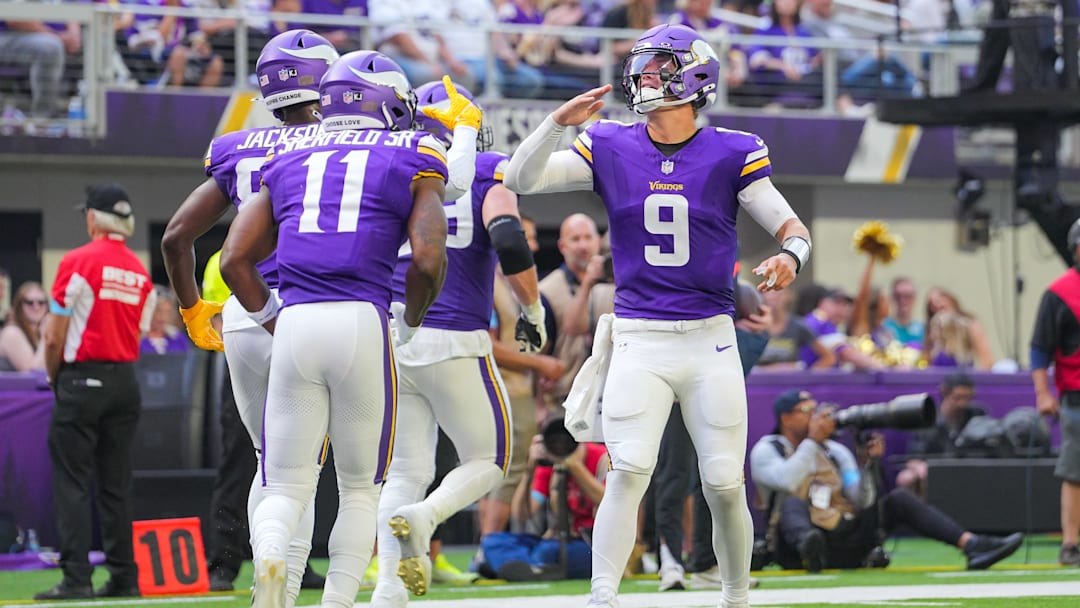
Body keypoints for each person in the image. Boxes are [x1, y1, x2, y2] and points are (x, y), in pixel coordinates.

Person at [504, 23, 813, 608]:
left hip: (709, 340)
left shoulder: (733, 150)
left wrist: (790, 258)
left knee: (723, 482)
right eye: (643, 66)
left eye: (658, 67)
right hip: (640, 338)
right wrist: (554, 126)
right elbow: (521, 179)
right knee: (628, 470)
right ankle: (601, 597)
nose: (644, 77)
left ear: (694, 78)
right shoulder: (611, 142)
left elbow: (792, 227)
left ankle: (736, 597)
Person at [219, 49, 450, 608]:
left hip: (295, 320)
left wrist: (272, 317)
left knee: (284, 483)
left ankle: (270, 562)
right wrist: (412, 323)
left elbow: (232, 260)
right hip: (361, 321)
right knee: (359, 489)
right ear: (392, 104)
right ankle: (339, 601)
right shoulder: (411, 151)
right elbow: (426, 259)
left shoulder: (290, 154)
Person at [161, 29, 338, 600]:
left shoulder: (239, 145)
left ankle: (265, 563)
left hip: (243, 313)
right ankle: (281, 576)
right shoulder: (347, 142)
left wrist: (193, 309)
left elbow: (175, 238)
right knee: (307, 468)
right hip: (312, 310)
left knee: (268, 460)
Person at [371, 77, 547, 604]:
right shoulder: (488, 171)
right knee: (489, 460)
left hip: (392, 336)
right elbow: (510, 238)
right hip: (454, 336)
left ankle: (387, 592)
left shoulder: (392, 169)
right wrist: (531, 308)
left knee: (405, 471)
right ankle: (425, 518)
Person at [35, 184, 156, 601]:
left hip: (81, 379)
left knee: (72, 482)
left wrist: (55, 377)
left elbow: (53, 337)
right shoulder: (141, 273)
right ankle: (124, 578)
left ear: (93, 217)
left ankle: (76, 579)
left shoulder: (76, 262)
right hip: (125, 383)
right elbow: (140, 334)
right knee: (116, 484)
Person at [750, 389, 1023, 574]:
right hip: (795, 544)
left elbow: (859, 499)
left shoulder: (837, 452)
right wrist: (812, 441)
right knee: (793, 505)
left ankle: (972, 545)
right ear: (785, 417)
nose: (816, 415)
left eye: (816, 409)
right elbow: (787, 481)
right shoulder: (768, 449)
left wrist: (868, 466)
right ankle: (811, 549)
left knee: (899, 499)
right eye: (806, 409)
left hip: (843, 536)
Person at [1030, 218, 1080, 566]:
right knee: (1075, 471)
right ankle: (1070, 544)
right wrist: (1042, 393)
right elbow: (1039, 350)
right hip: (1076, 397)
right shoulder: (1059, 293)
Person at [896, 372, 984, 496]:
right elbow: (913, 459)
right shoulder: (927, 419)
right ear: (944, 392)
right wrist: (921, 468)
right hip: (933, 471)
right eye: (958, 397)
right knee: (906, 478)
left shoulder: (977, 415)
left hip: (967, 470)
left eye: (967, 398)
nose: (963, 403)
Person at [0, 281, 48, 371]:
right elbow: (32, 372)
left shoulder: (38, 333)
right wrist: (46, 336)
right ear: (19, 305)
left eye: (41, 302)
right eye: (29, 302)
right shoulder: (12, 333)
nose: (36, 307)